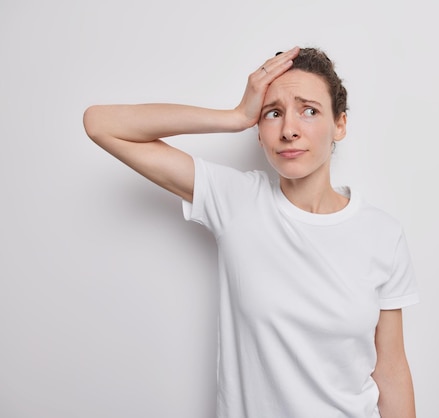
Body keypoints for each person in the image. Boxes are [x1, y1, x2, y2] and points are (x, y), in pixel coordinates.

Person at [83, 46, 419, 418]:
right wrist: (235, 116)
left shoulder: (381, 233)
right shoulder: (236, 201)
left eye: (309, 110)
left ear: (340, 124)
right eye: (273, 113)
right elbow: (101, 124)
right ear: (259, 131)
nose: (289, 129)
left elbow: (391, 371)